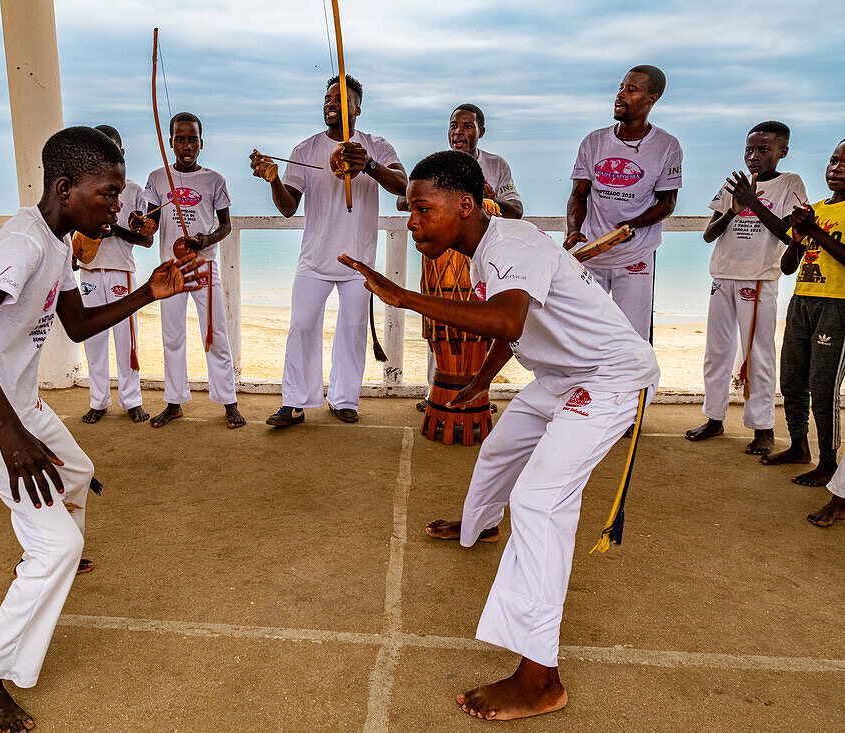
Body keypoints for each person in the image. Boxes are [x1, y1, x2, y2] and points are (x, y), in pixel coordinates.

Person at [343, 150, 658, 720]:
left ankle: (541, 679)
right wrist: (479, 385)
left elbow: (508, 321)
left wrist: (405, 297)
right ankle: (480, 524)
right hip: (563, 374)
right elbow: (515, 330)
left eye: (422, 208)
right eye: (409, 209)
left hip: (612, 377)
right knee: (500, 448)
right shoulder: (485, 248)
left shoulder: (510, 243)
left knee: (539, 500)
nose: (411, 220)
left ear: (465, 205)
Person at [0, 126, 202, 732]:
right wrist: (9, 433)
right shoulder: (23, 241)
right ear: (65, 188)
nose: (118, 206)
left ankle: (45, 550)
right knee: (61, 545)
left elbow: (76, 325)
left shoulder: (60, 243)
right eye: (108, 195)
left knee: (77, 472)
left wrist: (148, 293)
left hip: (18, 402)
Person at [250, 74, 407, 426]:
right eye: (327, 99)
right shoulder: (304, 150)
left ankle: (344, 399)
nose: (330, 104)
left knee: (352, 329)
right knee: (302, 326)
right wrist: (273, 179)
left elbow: (402, 186)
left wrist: (367, 163)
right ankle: (295, 402)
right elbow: (289, 206)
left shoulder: (376, 145)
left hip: (358, 262)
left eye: (339, 99)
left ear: (358, 108)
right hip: (314, 259)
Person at [685, 122, 806, 455]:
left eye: (764, 149)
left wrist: (754, 203)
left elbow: (789, 234)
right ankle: (714, 417)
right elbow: (710, 235)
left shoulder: (790, 184)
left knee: (758, 356)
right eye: (749, 149)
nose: (754, 156)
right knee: (717, 352)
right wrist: (735, 209)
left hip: (758, 277)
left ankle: (763, 428)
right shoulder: (734, 185)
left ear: (783, 151)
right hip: (723, 274)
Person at [398, 103, 524, 411]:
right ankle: (435, 393)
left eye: (468, 126)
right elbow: (406, 201)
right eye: (454, 125)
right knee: (441, 324)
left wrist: (489, 197)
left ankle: (479, 392)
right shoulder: (435, 166)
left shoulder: (497, 165)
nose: (459, 132)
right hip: (442, 263)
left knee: (481, 331)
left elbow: (516, 211)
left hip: (484, 257)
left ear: (481, 131)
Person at [564, 65, 682, 342]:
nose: (620, 95)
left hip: (635, 255)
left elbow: (667, 203)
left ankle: (636, 386)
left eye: (631, 90)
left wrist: (633, 224)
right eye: (620, 88)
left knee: (632, 337)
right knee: (583, 333)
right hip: (591, 253)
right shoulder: (593, 141)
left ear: (651, 98)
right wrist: (573, 230)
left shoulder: (667, 146)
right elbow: (579, 195)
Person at [143, 112, 244, 429]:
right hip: (170, 269)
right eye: (180, 139)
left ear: (202, 142)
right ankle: (174, 402)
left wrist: (206, 240)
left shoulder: (214, 180)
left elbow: (226, 225)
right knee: (171, 336)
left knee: (215, 335)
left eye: (193, 139)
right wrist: (138, 222)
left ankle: (229, 402)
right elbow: (150, 224)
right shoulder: (158, 178)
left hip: (203, 266)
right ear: (171, 142)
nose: (186, 145)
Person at [762, 139, 845, 488]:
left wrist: (813, 230)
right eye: (833, 160)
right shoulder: (818, 209)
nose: (836, 168)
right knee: (793, 378)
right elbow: (786, 267)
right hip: (802, 300)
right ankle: (799, 445)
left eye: (844, 164)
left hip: (837, 306)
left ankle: (829, 462)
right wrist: (798, 237)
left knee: (823, 386)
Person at [74, 125, 152, 425]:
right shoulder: (83, 189)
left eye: (112, 150)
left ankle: (131, 400)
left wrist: (117, 229)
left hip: (121, 270)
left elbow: (146, 239)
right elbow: (74, 229)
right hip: (89, 270)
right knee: (93, 338)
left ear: (122, 153)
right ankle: (98, 400)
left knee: (125, 338)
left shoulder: (133, 191)